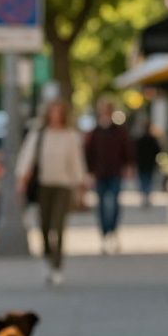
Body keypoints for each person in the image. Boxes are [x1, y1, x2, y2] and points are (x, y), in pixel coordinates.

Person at [16, 100, 88, 286]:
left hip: (63, 186)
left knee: (59, 226)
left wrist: (81, 187)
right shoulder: (39, 134)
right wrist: (22, 179)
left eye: (59, 112)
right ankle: (48, 258)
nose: (55, 115)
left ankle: (57, 265)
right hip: (43, 186)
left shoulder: (70, 135)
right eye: (52, 112)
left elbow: (76, 162)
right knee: (45, 226)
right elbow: (27, 157)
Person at [84, 99, 132, 254]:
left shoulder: (120, 131)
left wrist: (129, 165)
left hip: (115, 173)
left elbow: (127, 150)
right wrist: (89, 173)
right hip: (99, 174)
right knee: (101, 206)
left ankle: (113, 230)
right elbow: (88, 153)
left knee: (114, 204)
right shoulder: (94, 132)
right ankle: (104, 234)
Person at [134, 120, 163, 208]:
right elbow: (158, 150)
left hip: (142, 164)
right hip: (149, 164)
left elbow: (135, 152)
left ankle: (145, 196)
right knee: (148, 180)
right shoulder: (152, 139)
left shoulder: (140, 139)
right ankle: (146, 195)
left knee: (143, 180)